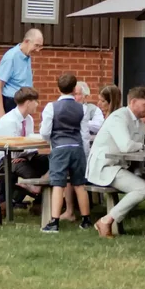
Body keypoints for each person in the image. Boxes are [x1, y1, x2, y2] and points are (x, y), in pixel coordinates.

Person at [89, 86, 145, 237]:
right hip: (104, 167)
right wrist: (144, 146)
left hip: (124, 166)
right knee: (143, 188)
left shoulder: (141, 125)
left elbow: (136, 150)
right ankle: (105, 221)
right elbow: (126, 147)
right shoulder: (118, 117)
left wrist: (141, 155)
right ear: (133, 102)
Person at [39, 77, 97, 233]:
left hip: (59, 148)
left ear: (58, 89)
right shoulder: (82, 109)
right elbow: (84, 134)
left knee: (58, 184)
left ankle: (54, 222)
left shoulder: (51, 107)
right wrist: (84, 153)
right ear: (74, 89)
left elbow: (44, 132)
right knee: (80, 184)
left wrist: (50, 140)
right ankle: (86, 220)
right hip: (77, 147)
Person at [0, 27, 43, 110]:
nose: (38, 50)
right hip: (11, 103)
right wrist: (1, 115)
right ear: (26, 41)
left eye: (40, 46)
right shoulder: (11, 57)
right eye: (36, 45)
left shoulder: (26, 55)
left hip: (24, 102)